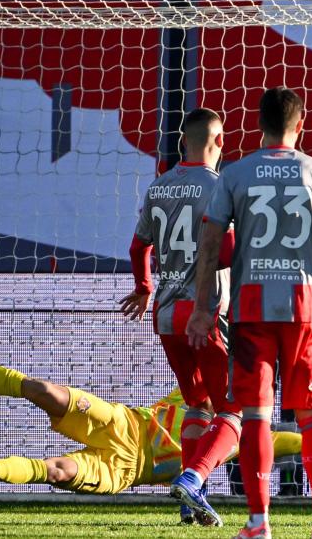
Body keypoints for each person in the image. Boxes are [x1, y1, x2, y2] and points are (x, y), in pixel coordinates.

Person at [185, 87, 312, 539]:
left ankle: (258, 524)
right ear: (301, 125)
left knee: (254, 416)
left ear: (260, 124)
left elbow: (210, 243)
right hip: (305, 309)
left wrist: (201, 308)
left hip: (252, 309)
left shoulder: (235, 174)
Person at [0, 339, 312, 498]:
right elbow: (202, 343)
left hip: (127, 471)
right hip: (123, 424)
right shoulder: (197, 387)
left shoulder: (238, 437)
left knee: (58, 471)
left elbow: (304, 444)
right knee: (43, 390)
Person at [119, 108, 241, 527]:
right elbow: (224, 252)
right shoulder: (219, 186)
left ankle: (193, 501)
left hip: (166, 316)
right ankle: (194, 478)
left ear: (180, 143)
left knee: (197, 403)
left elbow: (138, 249)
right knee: (234, 409)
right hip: (204, 315)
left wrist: (144, 287)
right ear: (220, 141)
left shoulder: (159, 187)